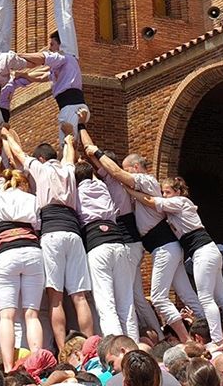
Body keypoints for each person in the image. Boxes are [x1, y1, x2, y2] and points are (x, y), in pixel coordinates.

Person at [84, 149, 203, 343]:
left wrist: (96, 153)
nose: (124, 173)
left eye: (127, 170)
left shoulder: (147, 181)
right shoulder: (135, 185)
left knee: (154, 297)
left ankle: (182, 339)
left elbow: (118, 174)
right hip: (164, 247)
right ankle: (206, 331)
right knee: (185, 294)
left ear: (136, 167)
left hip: (163, 247)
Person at [2, 127, 94, 351]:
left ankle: (63, 351)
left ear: (41, 159)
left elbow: (18, 153)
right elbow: (69, 155)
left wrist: (7, 136)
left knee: (56, 298)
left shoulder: (39, 168)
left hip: (52, 232)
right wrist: (69, 139)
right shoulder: (68, 170)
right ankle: (90, 349)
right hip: (73, 233)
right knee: (80, 296)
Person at [123, 175, 223, 346]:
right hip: (207, 251)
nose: (164, 195)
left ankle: (218, 339)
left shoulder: (180, 202)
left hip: (203, 252)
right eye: (163, 192)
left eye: (168, 192)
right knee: (221, 297)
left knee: (206, 298)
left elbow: (151, 201)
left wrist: (129, 190)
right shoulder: (174, 208)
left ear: (178, 191)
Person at [80, 126, 162, 340]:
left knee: (127, 299)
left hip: (127, 241)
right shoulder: (108, 183)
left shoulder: (115, 180)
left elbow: (93, 154)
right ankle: (150, 337)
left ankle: (152, 337)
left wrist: (82, 129)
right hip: (125, 242)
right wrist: (81, 127)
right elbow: (91, 153)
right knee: (132, 298)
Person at [0, 158, 44, 371]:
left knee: (7, 316)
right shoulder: (32, 199)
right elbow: (37, 225)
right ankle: (37, 365)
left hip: (6, 254)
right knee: (32, 314)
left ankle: (9, 368)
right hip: (32, 252)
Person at [74, 159, 139, 339]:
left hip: (97, 245)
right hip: (118, 243)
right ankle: (133, 344)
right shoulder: (102, 187)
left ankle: (118, 349)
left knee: (106, 305)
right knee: (126, 302)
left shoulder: (76, 193)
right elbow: (93, 177)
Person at [19, 31, 89, 145]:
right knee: (72, 145)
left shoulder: (63, 57)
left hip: (70, 107)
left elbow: (42, 58)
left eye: (52, 44)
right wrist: (24, 75)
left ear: (60, 45)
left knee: (67, 146)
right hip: (73, 106)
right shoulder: (63, 66)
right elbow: (43, 76)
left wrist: (16, 55)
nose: (50, 48)